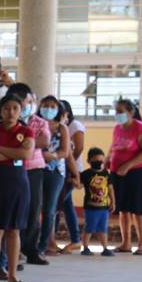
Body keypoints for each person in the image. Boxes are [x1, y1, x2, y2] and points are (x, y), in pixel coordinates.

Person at [0, 95, 35, 282]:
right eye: (7, 108)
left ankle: (12, 275)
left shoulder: (26, 130)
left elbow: (26, 154)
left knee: (14, 231)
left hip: (18, 182)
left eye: (15, 108)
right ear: (0, 110)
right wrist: (9, 151)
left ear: (21, 111)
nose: (11, 112)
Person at [108, 98, 142, 254]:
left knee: (137, 209)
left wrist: (128, 165)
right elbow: (114, 145)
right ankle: (125, 243)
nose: (118, 115)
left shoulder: (140, 128)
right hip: (117, 172)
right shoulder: (118, 128)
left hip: (136, 172)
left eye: (121, 112)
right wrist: (108, 159)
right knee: (122, 209)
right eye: (116, 112)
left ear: (131, 112)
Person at [17, 90, 53, 265]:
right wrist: (30, 141)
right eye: (25, 102)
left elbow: (44, 142)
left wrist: (23, 142)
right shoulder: (10, 121)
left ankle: (31, 249)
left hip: (34, 170)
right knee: (17, 210)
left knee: (34, 209)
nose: (28, 105)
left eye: (31, 101)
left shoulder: (40, 122)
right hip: (14, 169)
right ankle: (15, 250)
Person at [36, 96, 72, 258]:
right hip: (36, 169)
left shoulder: (62, 128)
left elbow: (66, 151)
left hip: (56, 171)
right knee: (34, 208)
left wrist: (53, 155)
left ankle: (43, 246)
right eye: (45, 106)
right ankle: (30, 242)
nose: (49, 109)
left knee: (49, 210)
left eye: (52, 106)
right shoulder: (35, 123)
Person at [54, 100, 86, 254]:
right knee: (65, 205)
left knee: (57, 204)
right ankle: (74, 239)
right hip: (63, 169)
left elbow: (78, 148)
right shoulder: (60, 126)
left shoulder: (75, 126)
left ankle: (71, 239)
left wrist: (70, 167)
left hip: (70, 171)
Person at [80, 147, 115, 256]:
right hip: (90, 208)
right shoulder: (86, 174)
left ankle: (105, 248)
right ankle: (85, 247)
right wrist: (74, 179)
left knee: (103, 228)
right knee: (89, 227)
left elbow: (110, 188)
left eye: (101, 160)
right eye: (96, 160)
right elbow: (79, 185)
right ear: (89, 161)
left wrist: (113, 201)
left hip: (104, 208)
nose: (99, 163)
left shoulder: (106, 174)